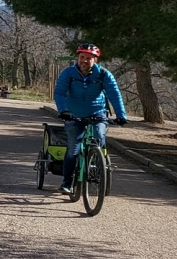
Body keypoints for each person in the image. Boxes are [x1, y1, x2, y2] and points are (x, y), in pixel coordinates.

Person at [52, 43, 128, 196]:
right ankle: (67, 183)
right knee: (73, 149)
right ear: (78, 58)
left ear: (95, 60)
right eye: (82, 57)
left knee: (100, 137)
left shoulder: (103, 74)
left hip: (97, 112)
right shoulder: (68, 73)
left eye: (88, 58)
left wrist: (121, 115)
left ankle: (98, 165)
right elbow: (59, 92)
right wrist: (63, 110)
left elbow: (114, 93)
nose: (84, 61)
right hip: (73, 114)